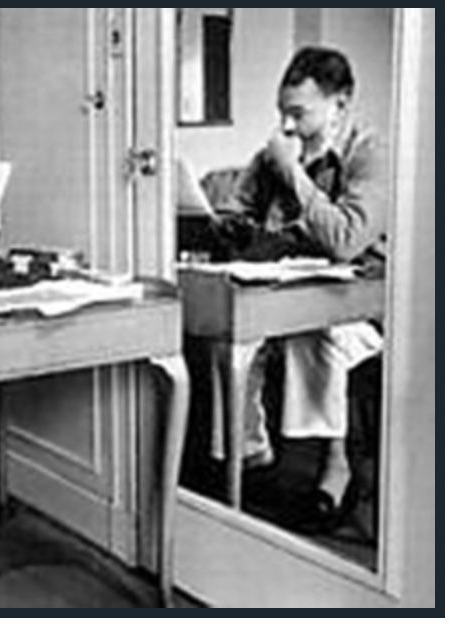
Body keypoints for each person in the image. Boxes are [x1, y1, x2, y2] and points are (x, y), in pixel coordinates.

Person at [220, 47, 386, 529]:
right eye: (282, 113)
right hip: (293, 287)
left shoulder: (370, 152)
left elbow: (347, 240)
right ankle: (252, 458)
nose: (287, 126)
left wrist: (293, 173)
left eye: (299, 113)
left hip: (365, 300)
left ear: (340, 104)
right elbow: (236, 212)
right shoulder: (273, 154)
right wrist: (232, 226)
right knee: (233, 329)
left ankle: (334, 465)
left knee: (315, 336)